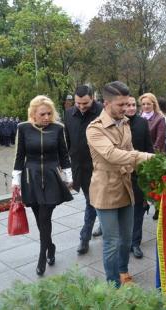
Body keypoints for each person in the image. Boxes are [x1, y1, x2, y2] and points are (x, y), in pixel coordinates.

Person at [86, 81, 153, 288]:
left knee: (126, 239)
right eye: (121, 105)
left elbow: (129, 149)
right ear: (106, 103)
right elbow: (112, 155)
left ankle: (123, 272)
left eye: (127, 104)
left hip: (126, 187)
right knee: (112, 242)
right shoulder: (94, 129)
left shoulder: (125, 122)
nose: (126, 109)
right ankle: (113, 284)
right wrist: (147, 158)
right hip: (105, 191)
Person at [11, 95, 73, 276]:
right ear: (33, 114)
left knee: (45, 215)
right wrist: (16, 182)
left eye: (49, 113)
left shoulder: (57, 128)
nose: (47, 117)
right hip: (31, 177)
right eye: (42, 114)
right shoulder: (22, 128)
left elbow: (64, 155)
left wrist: (69, 177)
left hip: (52, 177)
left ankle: (41, 256)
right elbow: (19, 156)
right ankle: (50, 245)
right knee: (39, 218)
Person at [63, 85, 103, 255]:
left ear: (92, 98)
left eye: (85, 103)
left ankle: (84, 238)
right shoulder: (69, 114)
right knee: (92, 201)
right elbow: (68, 142)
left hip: (99, 168)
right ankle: (101, 225)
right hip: (80, 167)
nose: (81, 106)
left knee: (91, 202)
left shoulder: (102, 112)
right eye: (78, 103)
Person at [125, 96, 154, 258]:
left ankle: (135, 242)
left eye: (133, 105)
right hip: (121, 173)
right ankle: (124, 241)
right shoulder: (117, 124)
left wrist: (150, 168)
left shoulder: (142, 123)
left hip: (138, 174)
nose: (130, 108)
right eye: (127, 105)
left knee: (138, 210)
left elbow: (149, 147)